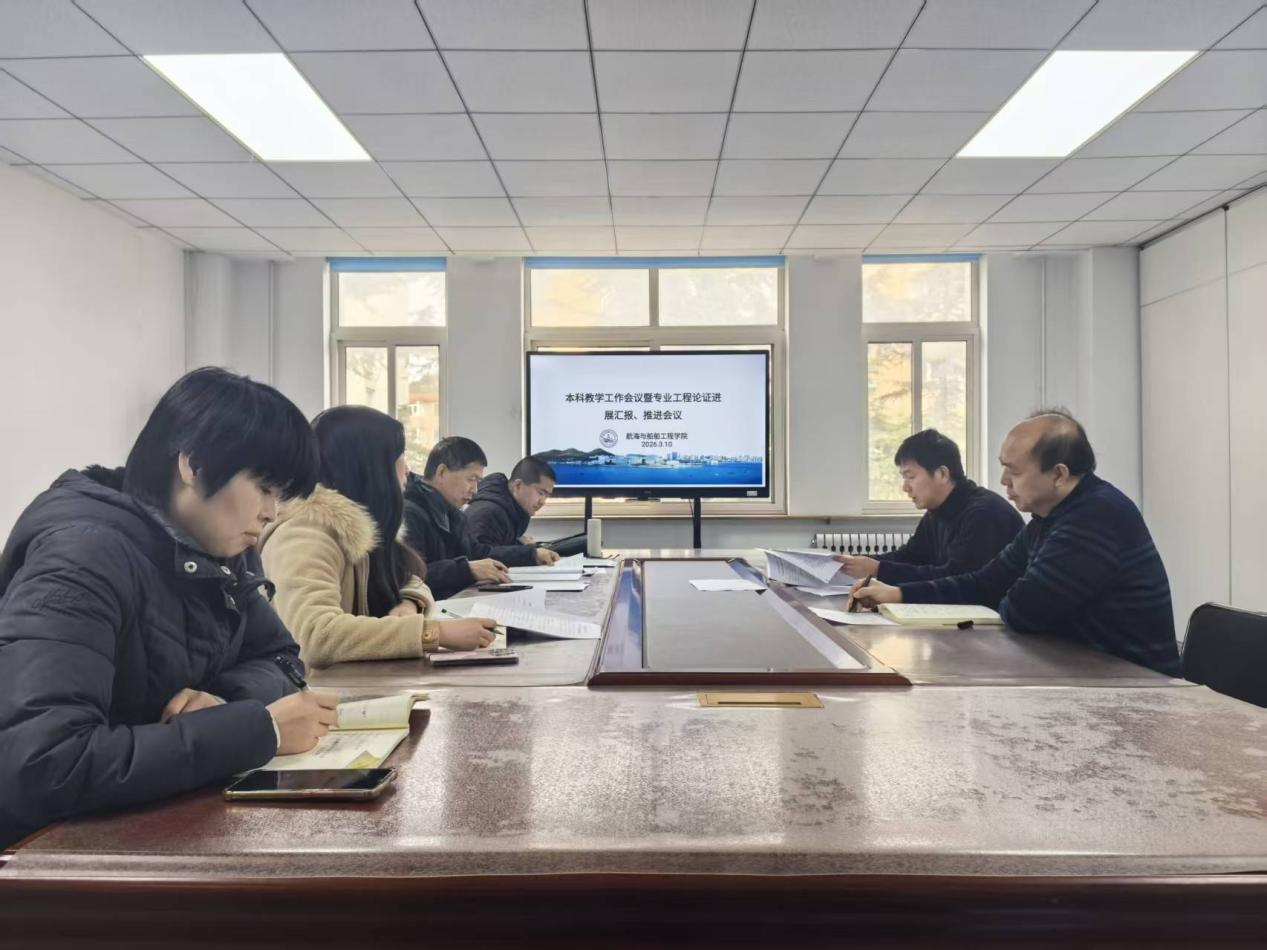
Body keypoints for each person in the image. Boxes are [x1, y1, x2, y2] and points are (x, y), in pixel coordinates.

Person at [0, 368, 339, 850]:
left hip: (156, 830)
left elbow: (282, 657)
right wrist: (256, 729)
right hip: (49, 859)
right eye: (264, 487)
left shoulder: (219, 551)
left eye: (280, 496)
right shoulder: (82, 558)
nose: (272, 512)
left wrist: (222, 703)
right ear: (194, 465)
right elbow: (42, 766)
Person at [848, 410, 1181, 677]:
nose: (1004, 481)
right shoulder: (1047, 518)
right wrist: (898, 594)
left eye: (1014, 472)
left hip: (1134, 683)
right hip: (1083, 669)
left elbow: (1022, 611)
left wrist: (1002, 596)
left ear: (1059, 474)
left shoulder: (1095, 516)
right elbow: (984, 583)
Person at [259, 406, 497, 668]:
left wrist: (409, 603)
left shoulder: (363, 525)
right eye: (399, 457)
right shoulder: (305, 533)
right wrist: (431, 633)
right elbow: (315, 636)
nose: (407, 470)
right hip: (318, 690)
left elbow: (411, 578)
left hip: (360, 684)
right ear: (368, 465)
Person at [835, 429, 1022, 583]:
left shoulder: (983, 514)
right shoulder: (937, 510)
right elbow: (911, 556)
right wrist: (861, 563)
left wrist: (879, 570)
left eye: (910, 477)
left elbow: (956, 579)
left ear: (942, 474)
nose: (905, 487)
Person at [403, 437, 559, 600]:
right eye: (471, 479)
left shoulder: (452, 514)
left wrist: (530, 554)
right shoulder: (409, 514)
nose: (475, 490)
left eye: (478, 482)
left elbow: (478, 553)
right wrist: (466, 570)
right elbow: (409, 577)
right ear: (441, 472)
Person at [466, 455, 557, 550]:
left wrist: (519, 544)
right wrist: (529, 553)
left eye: (547, 496)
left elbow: (498, 547)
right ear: (518, 485)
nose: (543, 501)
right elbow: (480, 555)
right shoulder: (488, 513)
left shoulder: (516, 511)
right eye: (540, 493)